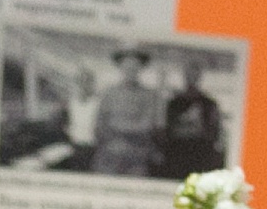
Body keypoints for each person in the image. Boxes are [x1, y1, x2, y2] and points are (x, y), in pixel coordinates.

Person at [88, 46, 167, 177]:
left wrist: (119, 128)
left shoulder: (150, 96)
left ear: (141, 68)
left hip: (137, 158)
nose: (131, 70)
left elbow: (149, 126)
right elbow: (99, 125)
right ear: (120, 67)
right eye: (127, 66)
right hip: (110, 156)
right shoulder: (109, 93)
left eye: (135, 67)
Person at [156, 53, 228, 176]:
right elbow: (165, 130)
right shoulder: (174, 102)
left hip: (200, 154)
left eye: (195, 74)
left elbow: (215, 132)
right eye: (188, 74)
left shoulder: (209, 103)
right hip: (177, 153)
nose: (192, 77)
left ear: (200, 76)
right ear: (184, 76)